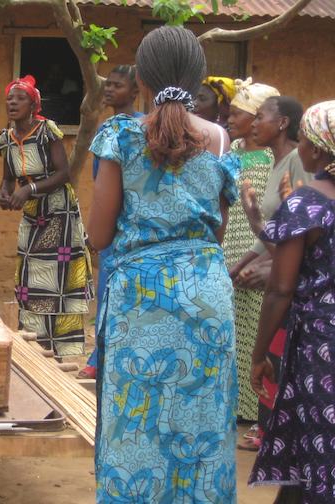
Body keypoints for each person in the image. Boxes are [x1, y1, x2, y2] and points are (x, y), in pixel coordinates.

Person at [88, 26, 239, 501]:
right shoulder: (218, 138)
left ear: (143, 79)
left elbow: (98, 235)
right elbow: (215, 231)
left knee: (135, 428)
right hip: (207, 294)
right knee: (201, 425)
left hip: (141, 298)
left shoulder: (118, 135)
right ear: (198, 77)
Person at [246, 100, 335, 503]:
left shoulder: (306, 203)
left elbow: (280, 289)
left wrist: (259, 353)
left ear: (315, 150)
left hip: (319, 349)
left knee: (316, 446)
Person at [0, 75, 92, 357]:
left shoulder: (46, 131)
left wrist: (31, 189)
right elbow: (7, 179)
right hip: (32, 216)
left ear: (33, 104)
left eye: (20, 98)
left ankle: (64, 349)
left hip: (59, 213)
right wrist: (4, 194)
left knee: (60, 281)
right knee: (30, 278)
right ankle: (36, 345)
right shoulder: (7, 139)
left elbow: (64, 174)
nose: (13, 102)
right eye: (9, 98)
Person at [219, 79, 281, 444]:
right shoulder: (231, 153)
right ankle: (236, 407)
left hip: (262, 260)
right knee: (234, 333)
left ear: (258, 118)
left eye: (237, 114)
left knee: (260, 336)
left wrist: (259, 263)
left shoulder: (277, 159)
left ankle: (259, 413)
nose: (230, 119)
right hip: (231, 252)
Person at [80, 64, 141, 379]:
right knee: (106, 292)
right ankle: (100, 354)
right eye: (107, 85)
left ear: (135, 91)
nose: (109, 90)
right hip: (111, 225)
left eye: (117, 86)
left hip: (134, 224)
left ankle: (122, 356)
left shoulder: (143, 127)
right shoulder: (106, 129)